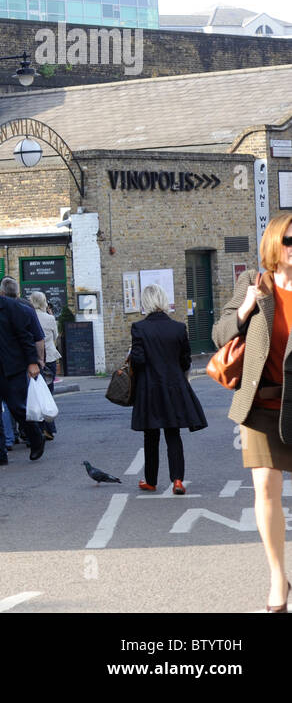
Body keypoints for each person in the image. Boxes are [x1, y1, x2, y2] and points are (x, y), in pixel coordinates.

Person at [215, 211, 292, 612]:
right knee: (265, 489)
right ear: (274, 245)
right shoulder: (253, 284)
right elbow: (219, 333)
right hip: (262, 404)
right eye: (290, 241)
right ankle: (278, 577)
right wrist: (244, 311)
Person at [130, 283, 207, 495]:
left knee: (151, 436)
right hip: (173, 387)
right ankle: (178, 480)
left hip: (149, 389)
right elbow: (185, 360)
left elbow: (138, 360)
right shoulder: (179, 328)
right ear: (163, 301)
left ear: (145, 303)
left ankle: (151, 481)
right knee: (173, 433)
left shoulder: (139, 328)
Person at [0, 274, 45, 466]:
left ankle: (36, 437)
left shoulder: (10, 307)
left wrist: (32, 362)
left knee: (17, 408)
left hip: (11, 367)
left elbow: (25, 336)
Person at [29, 291, 63, 439]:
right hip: (49, 358)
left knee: (35, 395)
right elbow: (56, 336)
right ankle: (49, 429)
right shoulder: (50, 318)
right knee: (48, 394)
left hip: (33, 359)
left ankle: (39, 428)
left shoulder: (29, 316)